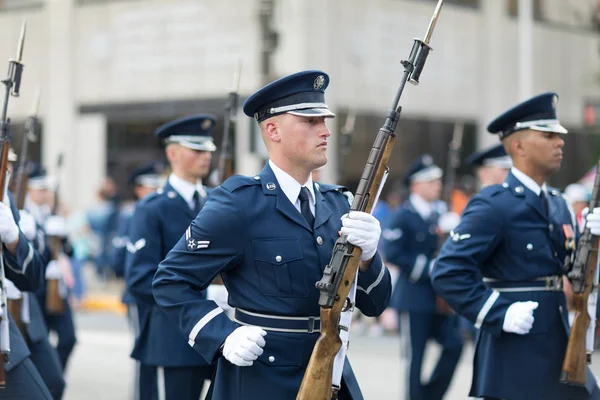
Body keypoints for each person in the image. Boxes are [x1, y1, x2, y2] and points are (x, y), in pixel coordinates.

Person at [152, 70, 391, 399]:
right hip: (261, 380)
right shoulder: (238, 204)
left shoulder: (340, 203)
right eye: (310, 121)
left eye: (324, 120)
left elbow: (375, 304)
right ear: (273, 130)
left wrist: (368, 258)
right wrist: (222, 334)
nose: (325, 131)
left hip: (331, 377)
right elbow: (170, 281)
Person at [431, 92, 600, 399]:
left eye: (559, 136)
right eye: (548, 135)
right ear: (519, 145)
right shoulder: (495, 204)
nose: (559, 142)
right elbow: (447, 271)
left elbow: (573, 274)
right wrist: (498, 312)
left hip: (559, 343)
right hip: (514, 347)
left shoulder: (559, 205)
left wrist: (593, 241)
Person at [125, 115, 219, 400]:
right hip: (175, 337)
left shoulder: (216, 202)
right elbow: (140, 279)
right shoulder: (153, 208)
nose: (205, 157)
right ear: (172, 153)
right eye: (196, 150)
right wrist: (203, 293)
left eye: (207, 150)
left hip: (221, 332)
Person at [382, 154, 463, 400]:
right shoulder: (404, 215)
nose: (437, 186)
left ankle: (430, 396)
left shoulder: (440, 213)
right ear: (416, 185)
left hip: (440, 298)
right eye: (431, 182)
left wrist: (455, 230)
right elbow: (393, 252)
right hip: (414, 296)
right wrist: (427, 267)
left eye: (437, 181)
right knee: (415, 358)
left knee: (454, 345)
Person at [110, 161, 164, 400]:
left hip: (159, 292)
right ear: (138, 188)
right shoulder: (130, 214)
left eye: (156, 185)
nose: (153, 190)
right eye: (148, 186)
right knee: (144, 352)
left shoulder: (158, 209)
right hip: (138, 294)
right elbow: (119, 260)